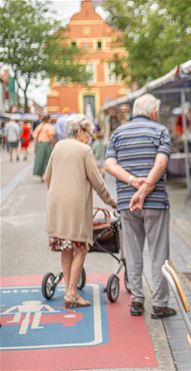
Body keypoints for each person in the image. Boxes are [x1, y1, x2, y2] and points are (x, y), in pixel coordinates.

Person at [105, 94, 176, 319]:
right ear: (153, 112)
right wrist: (144, 189)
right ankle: (160, 304)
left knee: (133, 253)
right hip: (155, 202)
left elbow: (109, 164)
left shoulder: (117, 133)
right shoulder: (160, 131)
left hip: (127, 202)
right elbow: (161, 163)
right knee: (158, 254)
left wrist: (131, 181)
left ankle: (136, 300)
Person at [44, 114, 116, 308]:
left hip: (56, 203)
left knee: (65, 247)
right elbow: (97, 182)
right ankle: (72, 293)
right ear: (79, 131)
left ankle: (69, 290)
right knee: (81, 248)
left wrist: (56, 192)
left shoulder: (58, 146)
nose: (90, 137)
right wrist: (111, 202)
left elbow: (46, 177)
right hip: (76, 205)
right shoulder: (85, 150)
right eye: (88, 133)